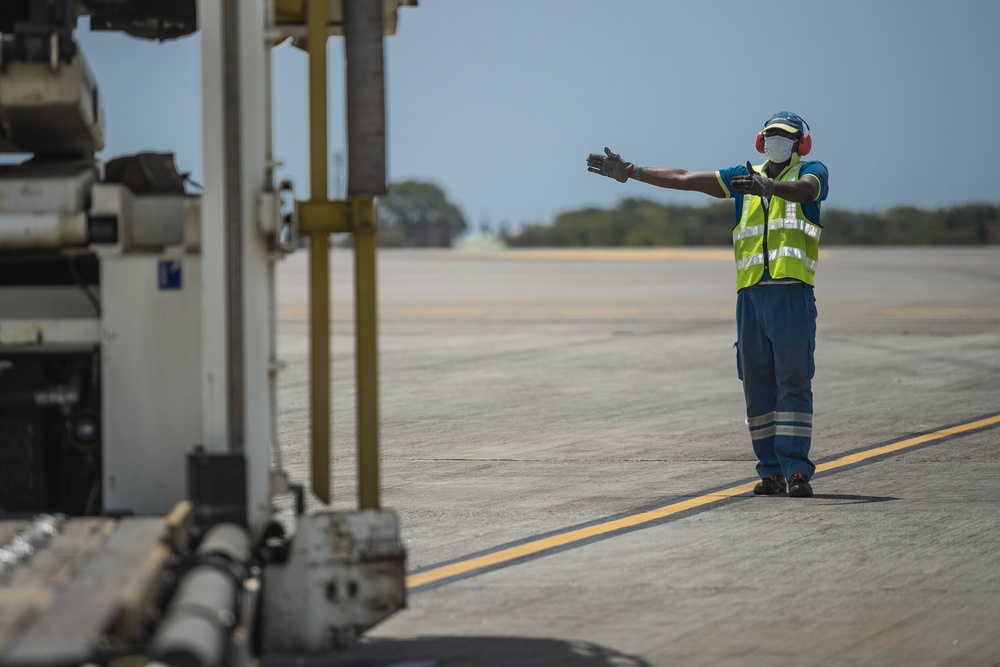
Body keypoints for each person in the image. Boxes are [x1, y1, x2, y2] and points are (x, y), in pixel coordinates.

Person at [586, 111, 829, 498]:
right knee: (757, 387)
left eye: (785, 137)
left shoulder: (811, 170)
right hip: (750, 297)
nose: (776, 142)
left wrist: (770, 187)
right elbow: (686, 179)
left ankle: (797, 470)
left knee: (794, 383)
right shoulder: (743, 175)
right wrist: (631, 171)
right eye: (770, 136)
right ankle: (770, 471)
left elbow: (808, 191)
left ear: (801, 143)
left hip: (791, 295)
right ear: (759, 140)